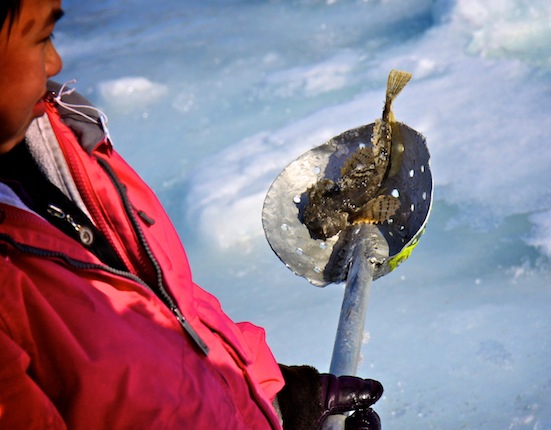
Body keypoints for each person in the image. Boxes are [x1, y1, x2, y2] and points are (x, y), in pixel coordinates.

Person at [0, 1, 383, 429]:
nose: (56, 61)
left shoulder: (64, 148)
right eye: (40, 38)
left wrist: (276, 398)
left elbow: (173, 310)